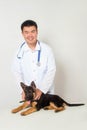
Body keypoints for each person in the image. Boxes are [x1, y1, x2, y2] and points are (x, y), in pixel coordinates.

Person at [12, 20, 56, 103]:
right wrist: (23, 91)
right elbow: (16, 72)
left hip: (46, 93)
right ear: (22, 34)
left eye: (33, 31)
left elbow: (51, 70)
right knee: (31, 114)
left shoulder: (47, 50)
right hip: (29, 95)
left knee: (48, 114)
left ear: (37, 32)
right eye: (26, 32)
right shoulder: (18, 52)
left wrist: (42, 89)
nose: (30, 35)